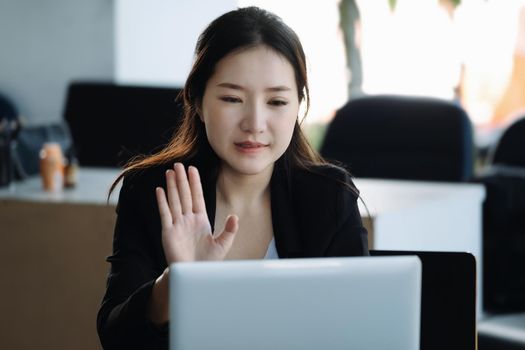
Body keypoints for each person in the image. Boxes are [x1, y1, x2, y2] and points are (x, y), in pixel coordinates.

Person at [97, 6, 368, 349]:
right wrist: (177, 283)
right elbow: (116, 338)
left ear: (298, 105)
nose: (254, 123)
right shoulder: (153, 191)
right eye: (232, 98)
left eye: (277, 101)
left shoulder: (330, 197)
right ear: (197, 101)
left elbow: (359, 328)